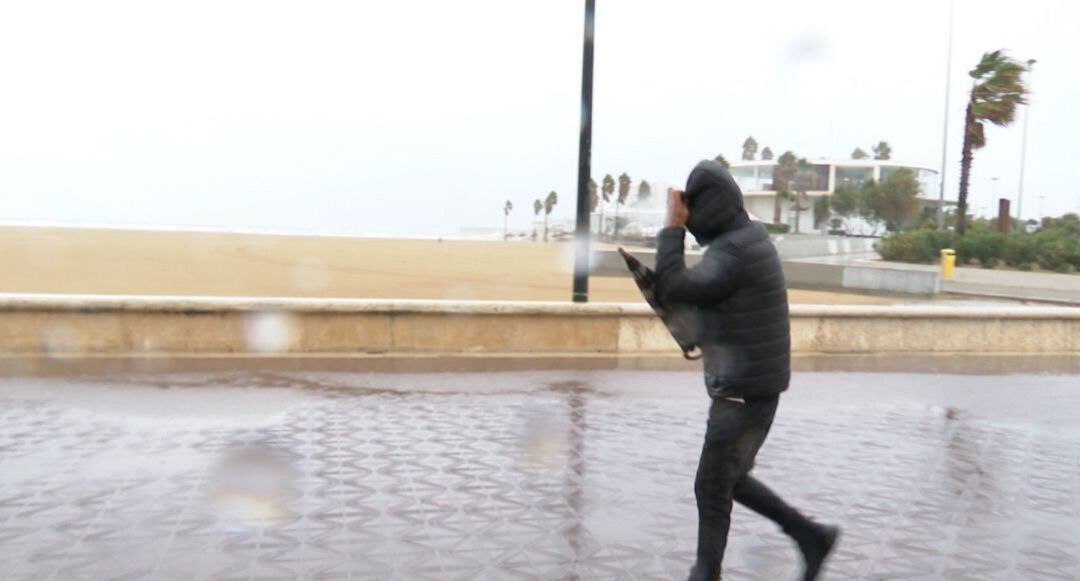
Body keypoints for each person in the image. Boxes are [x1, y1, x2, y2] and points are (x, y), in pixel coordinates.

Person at [654, 160, 839, 581]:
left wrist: (672, 229)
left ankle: (707, 573)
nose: (691, 215)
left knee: (711, 484)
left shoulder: (734, 250)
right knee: (729, 478)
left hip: (743, 389)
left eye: (694, 207)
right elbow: (717, 303)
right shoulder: (743, 240)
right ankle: (811, 535)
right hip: (753, 385)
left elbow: (674, 287)